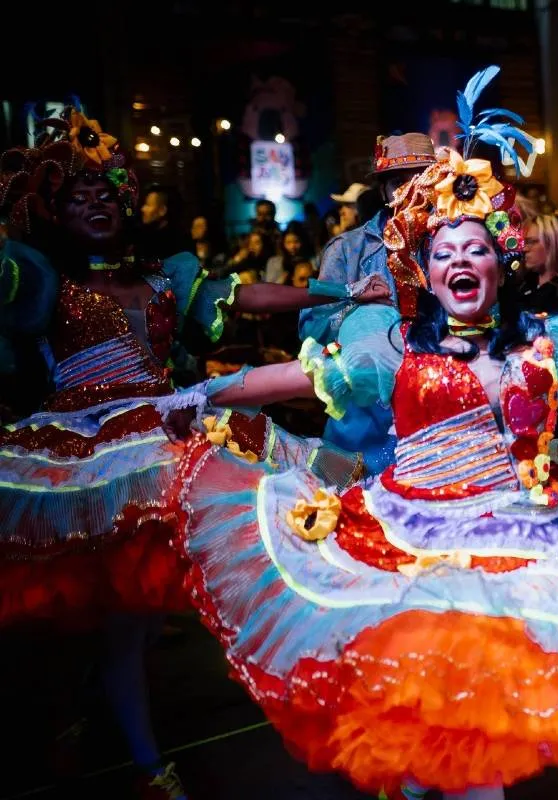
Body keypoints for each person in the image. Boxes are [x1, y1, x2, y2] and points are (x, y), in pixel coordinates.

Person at [171, 74, 558, 798]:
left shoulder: (550, 344)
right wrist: (197, 394)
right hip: (414, 540)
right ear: (423, 269)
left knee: (508, 716)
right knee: (434, 729)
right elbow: (294, 379)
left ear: (501, 265)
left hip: (530, 536)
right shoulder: (386, 343)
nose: (461, 259)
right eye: (444, 249)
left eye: (477, 248)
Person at [0, 109, 382, 799]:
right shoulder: (38, 282)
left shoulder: (164, 276)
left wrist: (345, 289)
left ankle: (130, 745)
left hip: (166, 434)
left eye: (108, 193)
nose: (98, 205)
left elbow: (249, 296)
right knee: (88, 629)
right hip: (82, 460)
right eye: (77, 196)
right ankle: (107, 741)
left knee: (130, 626)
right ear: (48, 212)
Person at [299, 131, 438, 474]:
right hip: (364, 415)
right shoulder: (348, 249)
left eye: (418, 180)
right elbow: (312, 326)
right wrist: (361, 317)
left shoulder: (452, 243)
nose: (409, 192)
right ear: (383, 190)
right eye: (398, 182)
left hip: (436, 404)